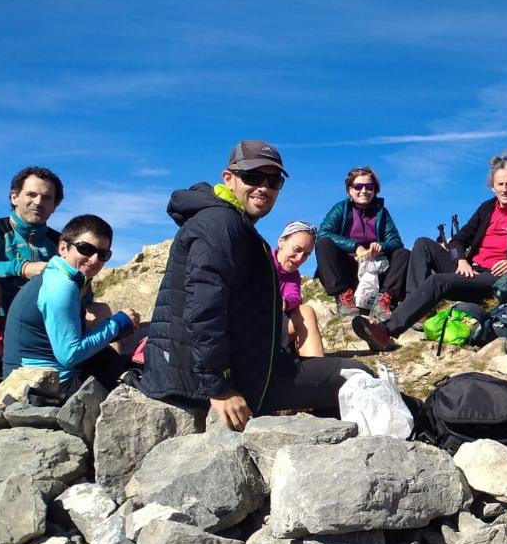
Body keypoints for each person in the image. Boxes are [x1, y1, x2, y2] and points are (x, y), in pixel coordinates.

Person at [139, 140, 371, 431]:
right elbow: (203, 307)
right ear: (229, 178)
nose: (263, 187)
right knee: (357, 375)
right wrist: (219, 387)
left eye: (273, 180)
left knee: (342, 376)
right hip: (214, 381)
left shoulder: (228, 221)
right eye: (252, 177)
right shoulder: (220, 223)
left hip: (240, 367)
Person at [352, 152, 507, 352]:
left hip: (495, 278)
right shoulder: (487, 209)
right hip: (469, 270)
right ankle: (418, 309)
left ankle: (386, 331)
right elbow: (458, 240)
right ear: (493, 187)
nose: (505, 189)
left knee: (439, 281)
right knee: (422, 243)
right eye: (500, 184)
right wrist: (461, 260)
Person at [0, 166, 69, 399]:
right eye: (31, 195)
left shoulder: (59, 243)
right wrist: (22, 268)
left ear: (55, 206)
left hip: (30, 337)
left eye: (47, 198)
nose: (38, 202)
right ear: (14, 197)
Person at [2, 214, 140, 396]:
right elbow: (70, 354)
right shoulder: (62, 286)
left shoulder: (55, 277)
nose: (95, 259)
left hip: (25, 381)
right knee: (140, 376)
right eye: (86, 249)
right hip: (43, 388)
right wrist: (117, 324)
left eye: (103, 254)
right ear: (63, 248)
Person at [315, 166, 410, 319]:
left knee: (403, 254)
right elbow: (323, 233)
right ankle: (344, 297)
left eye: (369, 187)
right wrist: (355, 246)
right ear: (350, 190)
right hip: (349, 268)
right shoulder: (341, 208)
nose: (364, 191)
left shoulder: (382, 213)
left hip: (376, 269)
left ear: (375, 189)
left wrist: (382, 246)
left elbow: (396, 242)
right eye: (358, 187)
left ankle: (383, 300)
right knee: (324, 243)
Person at [272, 220, 325, 358]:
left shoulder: (293, 275)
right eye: (297, 249)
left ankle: (315, 365)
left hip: (275, 327)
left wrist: (285, 302)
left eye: (306, 254)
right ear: (282, 242)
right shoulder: (260, 261)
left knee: (305, 311)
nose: (300, 258)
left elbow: (295, 296)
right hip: (251, 326)